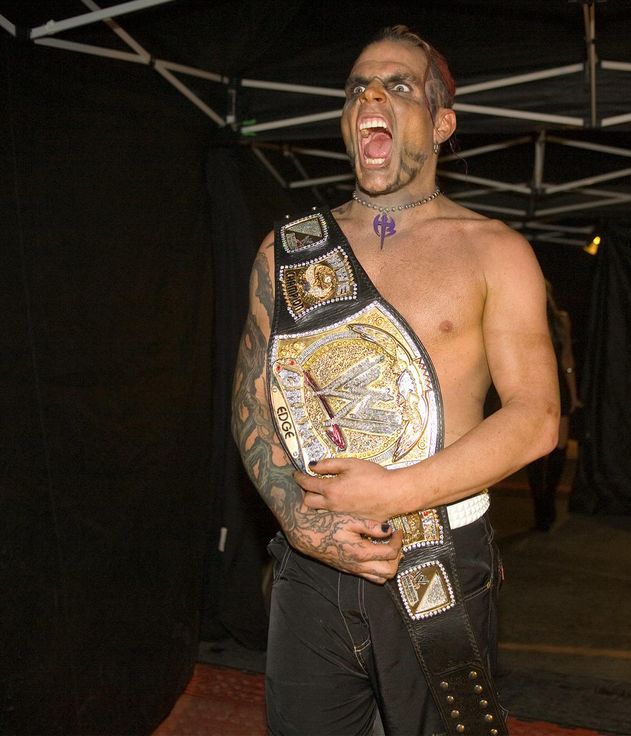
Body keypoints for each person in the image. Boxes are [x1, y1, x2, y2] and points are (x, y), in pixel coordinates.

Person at [231, 25, 559, 736]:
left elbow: (536, 418)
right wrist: (300, 517)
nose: (371, 95)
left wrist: (394, 493)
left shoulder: (495, 251)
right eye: (357, 89)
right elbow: (250, 405)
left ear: (442, 123)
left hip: (438, 565)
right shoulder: (288, 251)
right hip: (311, 567)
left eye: (398, 86)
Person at [527, 281, 583, 531]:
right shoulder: (524, 318)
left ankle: (547, 497)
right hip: (534, 386)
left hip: (558, 384)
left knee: (559, 446)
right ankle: (541, 503)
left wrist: (573, 394)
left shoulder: (561, 319)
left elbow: (567, 358)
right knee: (535, 448)